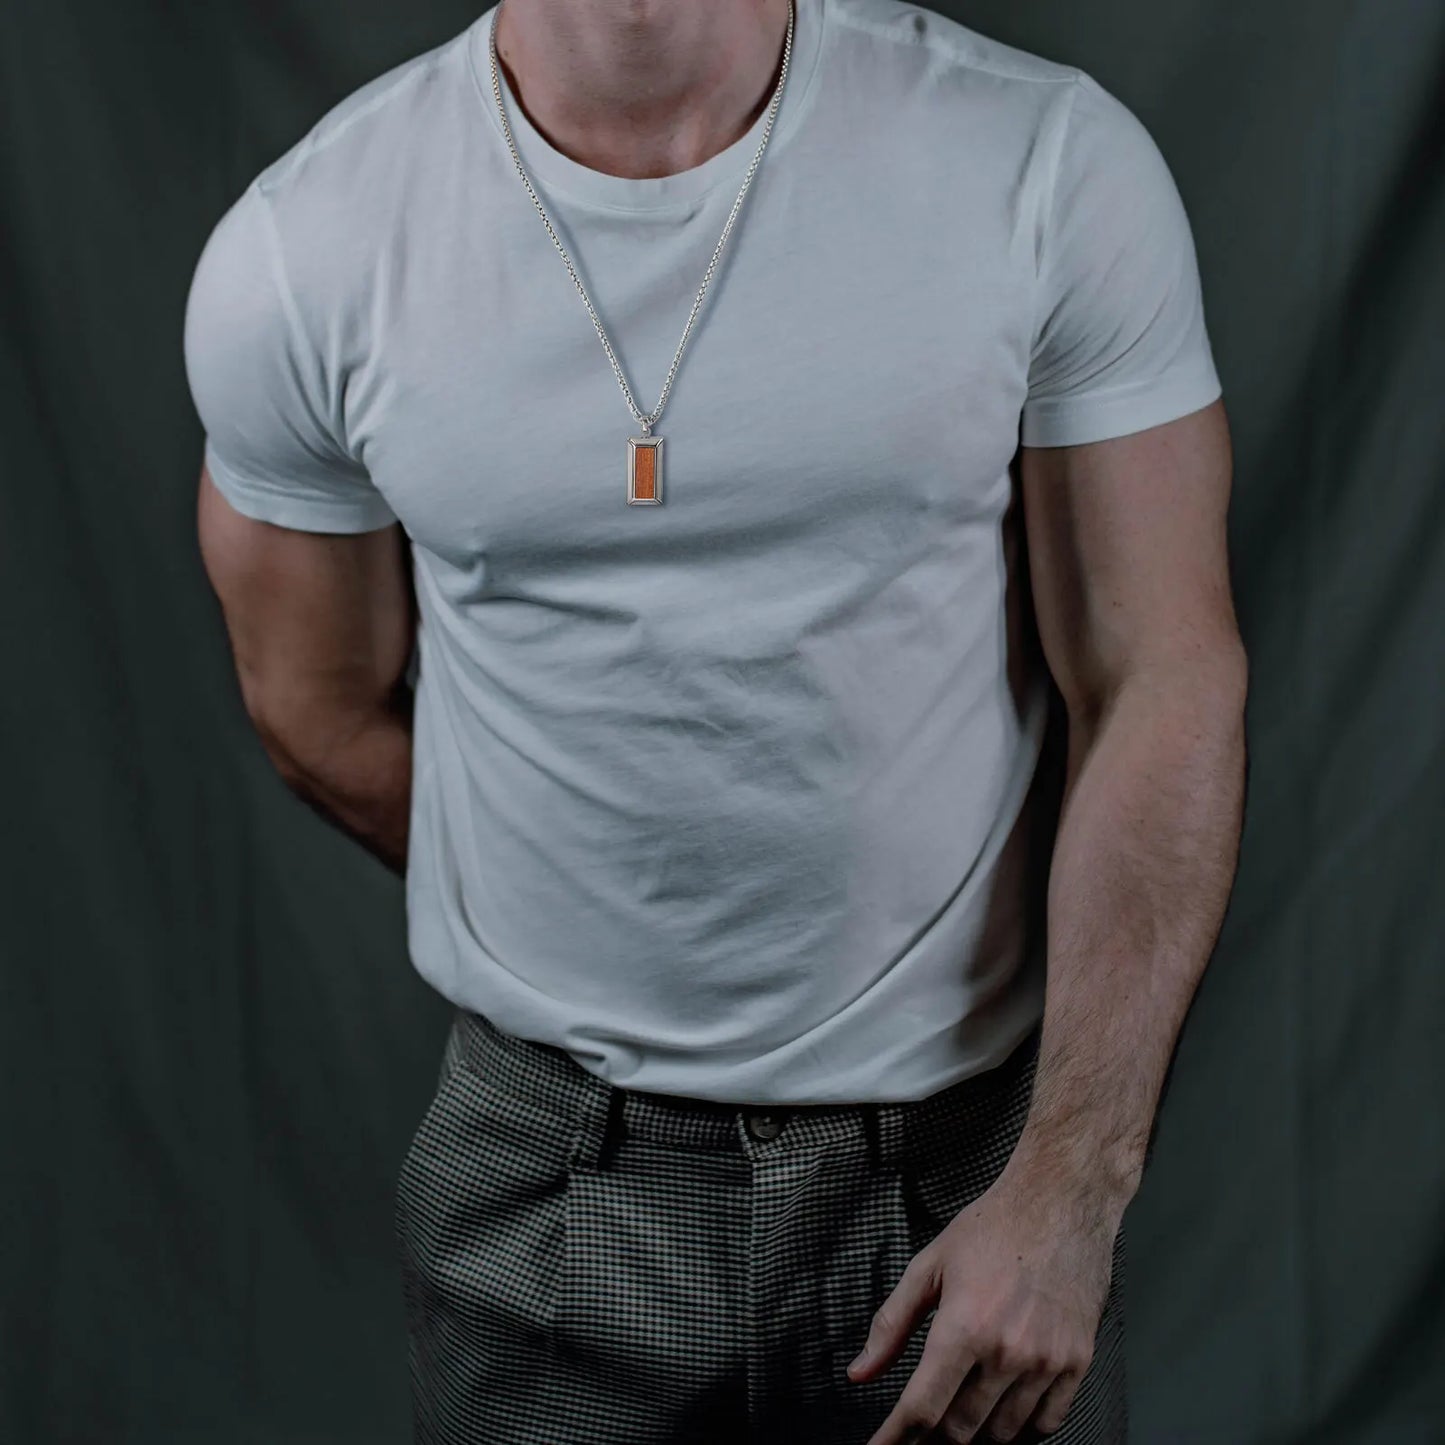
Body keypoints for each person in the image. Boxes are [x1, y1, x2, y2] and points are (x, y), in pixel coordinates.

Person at [183, 0, 1246, 1439]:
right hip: (550, 1184)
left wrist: (1069, 1187)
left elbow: (1159, 676)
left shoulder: (1042, 159)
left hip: (965, 1169)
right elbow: (313, 704)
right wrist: (609, 920)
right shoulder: (307, 250)